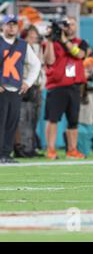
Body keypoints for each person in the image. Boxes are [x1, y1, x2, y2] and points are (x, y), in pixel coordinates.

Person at [43, 17, 87, 160]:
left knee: (73, 120)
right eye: (66, 25)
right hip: (57, 86)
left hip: (74, 86)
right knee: (52, 119)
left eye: (72, 24)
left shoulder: (81, 43)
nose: (69, 27)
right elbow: (49, 60)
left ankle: (72, 150)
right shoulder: (53, 43)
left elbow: (79, 54)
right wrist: (50, 40)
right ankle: (50, 149)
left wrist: (64, 40)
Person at [0, 15, 40, 163]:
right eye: (8, 24)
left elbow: (36, 64)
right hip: (1, 89)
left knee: (11, 123)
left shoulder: (23, 45)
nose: (11, 27)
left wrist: (28, 82)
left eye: (14, 25)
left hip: (15, 90)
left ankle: (5, 154)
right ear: (2, 27)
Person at [14, 25, 45, 158]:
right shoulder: (20, 47)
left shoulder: (38, 48)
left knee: (33, 119)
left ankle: (31, 147)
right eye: (31, 35)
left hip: (37, 86)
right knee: (22, 119)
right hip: (25, 86)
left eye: (35, 35)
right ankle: (21, 148)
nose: (34, 37)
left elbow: (44, 64)